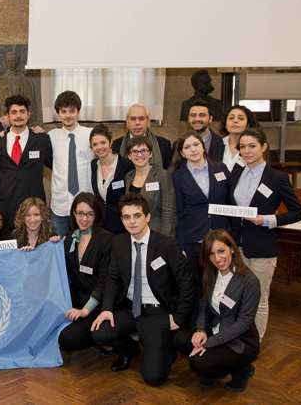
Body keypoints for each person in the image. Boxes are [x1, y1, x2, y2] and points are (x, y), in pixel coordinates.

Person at [91, 193, 195, 386]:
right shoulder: (119, 243)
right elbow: (112, 279)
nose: (132, 221)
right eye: (126, 217)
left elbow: (187, 283)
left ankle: (165, 346)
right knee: (100, 333)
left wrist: (179, 318)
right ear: (121, 219)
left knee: (153, 378)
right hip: (130, 308)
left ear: (147, 217)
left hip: (156, 312)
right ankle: (130, 350)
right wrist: (106, 309)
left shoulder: (167, 244)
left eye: (137, 215)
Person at [228, 127, 301, 340]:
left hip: (262, 247)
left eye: (252, 146)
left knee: (259, 298)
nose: (247, 151)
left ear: (264, 147)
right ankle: (237, 337)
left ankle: (255, 343)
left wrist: (268, 220)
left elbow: (298, 211)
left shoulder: (277, 178)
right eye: (242, 147)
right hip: (237, 246)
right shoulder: (236, 173)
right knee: (238, 296)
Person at [174, 229, 260, 392]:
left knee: (198, 362)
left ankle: (241, 370)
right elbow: (205, 306)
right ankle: (216, 370)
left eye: (221, 251)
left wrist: (210, 343)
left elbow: (244, 323)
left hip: (239, 341)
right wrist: (201, 330)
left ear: (232, 249)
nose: (218, 259)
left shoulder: (249, 281)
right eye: (212, 254)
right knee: (182, 339)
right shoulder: (211, 273)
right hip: (215, 330)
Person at [170, 130, 230, 324]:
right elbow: (178, 213)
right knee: (197, 286)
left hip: (221, 236)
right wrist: (181, 245)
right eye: (187, 147)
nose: (193, 149)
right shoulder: (178, 177)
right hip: (194, 239)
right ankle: (198, 326)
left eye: (195, 144)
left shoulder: (221, 169)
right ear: (182, 153)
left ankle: (221, 325)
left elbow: (231, 204)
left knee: (222, 284)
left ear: (203, 146)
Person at [56, 193, 112, 353]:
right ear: (74, 213)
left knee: (68, 339)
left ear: (97, 215)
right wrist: (53, 245)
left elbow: (104, 282)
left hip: (97, 304)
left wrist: (84, 311)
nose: (84, 219)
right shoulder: (68, 239)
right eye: (80, 213)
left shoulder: (106, 240)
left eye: (89, 214)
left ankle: (105, 340)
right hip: (76, 300)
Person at [0, 95, 53, 224]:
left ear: (28, 114)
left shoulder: (41, 140)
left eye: (22, 111)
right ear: (8, 116)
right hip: (6, 204)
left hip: (34, 206)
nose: (18, 116)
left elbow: (56, 167)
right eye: (14, 112)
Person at [48, 91, 93, 236]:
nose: (68, 115)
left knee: (86, 251)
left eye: (72, 111)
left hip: (86, 208)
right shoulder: (51, 136)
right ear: (58, 114)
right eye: (63, 111)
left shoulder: (90, 135)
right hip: (60, 206)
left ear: (78, 112)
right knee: (62, 250)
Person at [124, 136, 177, 237]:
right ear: (129, 156)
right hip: (135, 235)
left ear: (150, 154)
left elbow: (168, 212)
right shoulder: (129, 177)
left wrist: (164, 239)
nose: (139, 155)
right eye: (134, 151)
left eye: (143, 150)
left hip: (157, 235)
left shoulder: (162, 175)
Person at [89, 124, 135, 235]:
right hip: (101, 226)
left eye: (103, 142)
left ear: (111, 143)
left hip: (122, 226)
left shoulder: (126, 165)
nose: (99, 147)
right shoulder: (93, 166)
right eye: (95, 144)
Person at [111, 105, 173, 170]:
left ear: (148, 122)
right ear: (127, 123)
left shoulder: (164, 144)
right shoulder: (116, 145)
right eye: (133, 119)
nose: (137, 123)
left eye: (141, 118)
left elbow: (168, 173)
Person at [0, 52, 37, 123]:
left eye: (13, 61)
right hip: (2, 114)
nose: (11, 64)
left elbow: (30, 100)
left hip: (19, 115)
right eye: (9, 61)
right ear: (6, 62)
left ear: (17, 62)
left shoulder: (23, 79)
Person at [220, 105, 258, 172]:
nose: (235, 121)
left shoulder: (256, 146)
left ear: (248, 124)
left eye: (240, 118)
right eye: (231, 118)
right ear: (225, 124)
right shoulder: (216, 145)